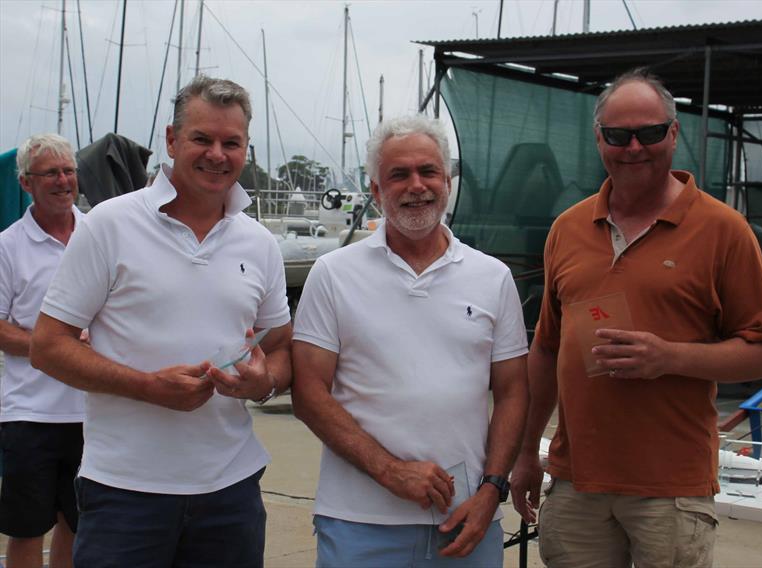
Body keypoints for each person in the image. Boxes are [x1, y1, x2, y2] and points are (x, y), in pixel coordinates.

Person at [510, 67, 762, 568]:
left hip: (671, 491)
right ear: (599, 138)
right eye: (619, 135)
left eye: (651, 133)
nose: (634, 147)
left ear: (674, 132)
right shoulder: (567, 229)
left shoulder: (724, 230)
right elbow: (547, 349)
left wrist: (669, 357)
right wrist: (528, 451)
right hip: (578, 484)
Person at [29, 76, 292, 567]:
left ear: (245, 149)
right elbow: (48, 346)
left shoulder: (258, 243)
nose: (217, 153)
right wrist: (147, 386)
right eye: (202, 138)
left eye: (231, 142)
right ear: (171, 141)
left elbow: (282, 345)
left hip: (231, 492)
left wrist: (267, 381)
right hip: (126, 492)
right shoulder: (110, 225)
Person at [292, 115, 529, 568]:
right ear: (376, 190)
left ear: (447, 181)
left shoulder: (492, 278)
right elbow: (307, 392)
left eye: (428, 171)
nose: (416, 185)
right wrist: (389, 470)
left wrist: (491, 491)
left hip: (468, 521)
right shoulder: (334, 274)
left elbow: (514, 390)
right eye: (398, 174)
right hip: (358, 524)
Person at [0, 134, 84, 568]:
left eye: (68, 170)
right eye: (50, 173)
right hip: (29, 414)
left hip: (95, 412)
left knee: (79, 526)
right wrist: (54, 347)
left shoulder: (97, 234)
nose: (63, 180)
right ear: (26, 183)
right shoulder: (7, 246)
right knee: (28, 529)